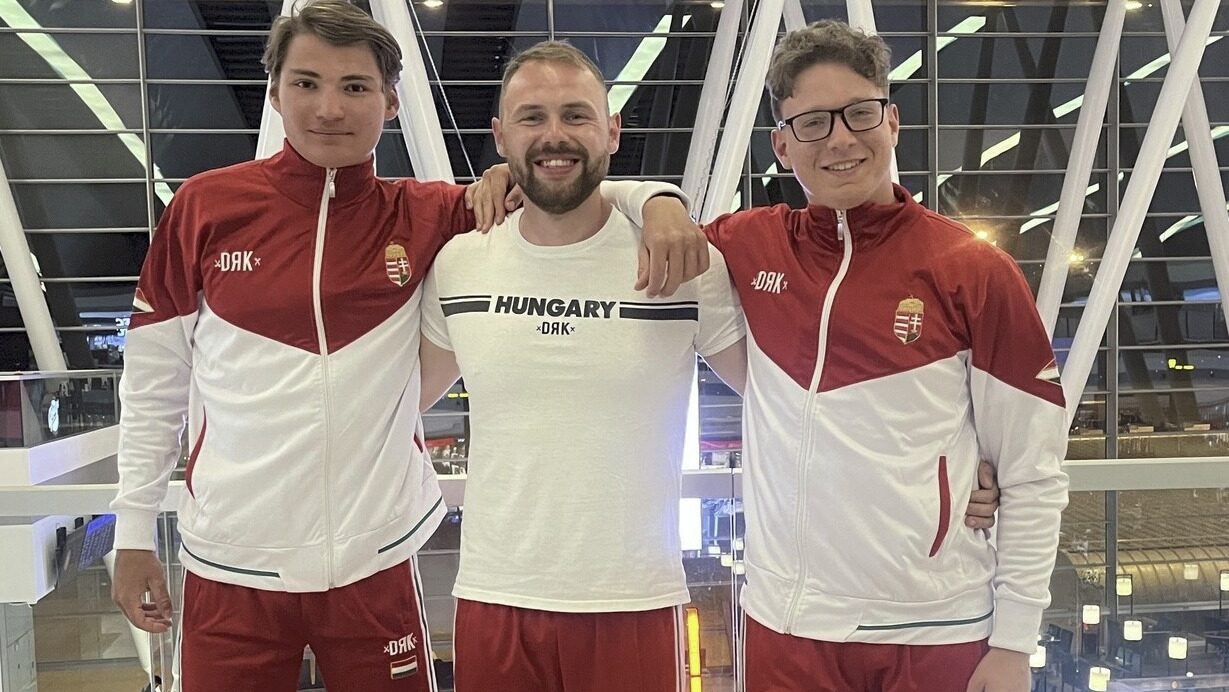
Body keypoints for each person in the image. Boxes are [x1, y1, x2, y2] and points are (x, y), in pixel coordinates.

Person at [108, 4, 708, 691]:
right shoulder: (204, 209)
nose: (330, 108)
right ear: (275, 93)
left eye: (355, 87)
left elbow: (557, 182)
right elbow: (153, 385)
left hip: (378, 560)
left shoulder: (428, 214)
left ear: (391, 103)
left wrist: (658, 199)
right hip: (228, 560)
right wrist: (132, 533)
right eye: (306, 83)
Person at [700, 20, 1069, 692]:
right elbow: (627, 233)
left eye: (859, 113)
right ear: (781, 144)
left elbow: (1031, 474)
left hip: (934, 630)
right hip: (785, 625)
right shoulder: (750, 246)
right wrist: (650, 197)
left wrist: (1015, 642)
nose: (840, 138)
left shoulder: (973, 271)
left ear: (891, 121)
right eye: (813, 122)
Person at [417, 41, 749, 692]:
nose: (554, 135)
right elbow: (392, 400)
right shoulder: (459, 264)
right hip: (494, 595)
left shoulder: (684, 262)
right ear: (500, 137)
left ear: (612, 131)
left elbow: (784, 395)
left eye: (576, 115)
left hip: (633, 597)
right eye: (532, 117)